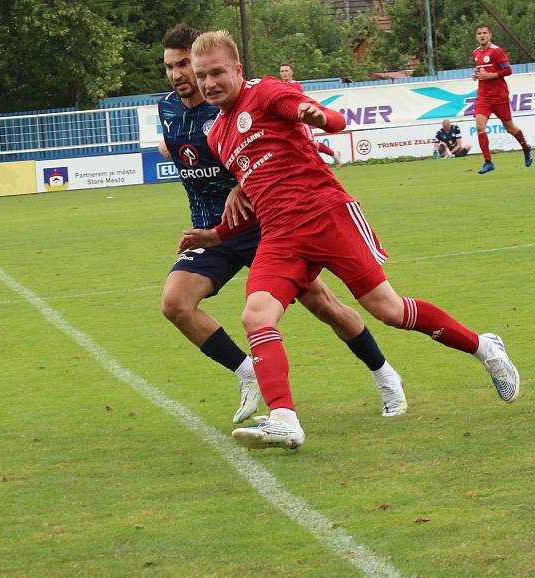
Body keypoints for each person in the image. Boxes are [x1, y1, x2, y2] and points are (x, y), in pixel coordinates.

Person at [182, 30, 519, 450]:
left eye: (217, 72)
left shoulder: (266, 92)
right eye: (202, 76)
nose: (209, 82)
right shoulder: (217, 134)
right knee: (256, 315)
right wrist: (218, 234)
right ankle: (284, 417)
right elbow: (255, 191)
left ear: (237, 69)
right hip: (280, 235)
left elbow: (333, 120)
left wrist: (317, 116)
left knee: (389, 310)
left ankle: (484, 347)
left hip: (328, 216)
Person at [158, 23, 406, 424]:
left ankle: (384, 372)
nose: (180, 75)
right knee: (175, 304)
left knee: (325, 305)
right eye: (171, 67)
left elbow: (282, 139)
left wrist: (245, 183)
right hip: (212, 230)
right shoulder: (168, 107)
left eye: (187, 65)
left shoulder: (228, 100)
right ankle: (248, 374)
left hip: (264, 226)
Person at [472, 24, 532, 174]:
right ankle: (488, 162)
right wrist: (477, 75)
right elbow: (482, 70)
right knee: (480, 126)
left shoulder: (496, 51)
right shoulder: (476, 53)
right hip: (483, 97)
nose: (482, 35)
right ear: (476, 36)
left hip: (499, 97)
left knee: (510, 128)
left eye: (485, 33)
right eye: (479, 33)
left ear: (490, 35)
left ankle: (525, 147)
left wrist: (490, 76)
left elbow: (508, 70)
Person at [279, 63, 342, 168]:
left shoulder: (295, 85)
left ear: (291, 72)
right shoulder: (280, 85)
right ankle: (332, 155)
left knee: (310, 145)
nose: (284, 73)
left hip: (300, 122)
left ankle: (325, 163)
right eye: (282, 71)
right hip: (288, 123)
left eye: (286, 71)